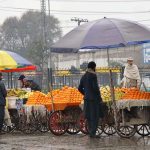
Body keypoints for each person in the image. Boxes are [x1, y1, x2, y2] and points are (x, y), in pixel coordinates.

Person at [78, 61, 102, 138]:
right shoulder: (93, 75)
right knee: (95, 116)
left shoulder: (84, 76)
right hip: (93, 99)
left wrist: (85, 94)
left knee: (88, 116)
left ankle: (90, 132)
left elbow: (79, 88)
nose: (95, 69)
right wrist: (99, 97)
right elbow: (95, 88)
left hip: (86, 99)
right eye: (95, 67)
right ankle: (92, 133)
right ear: (93, 67)